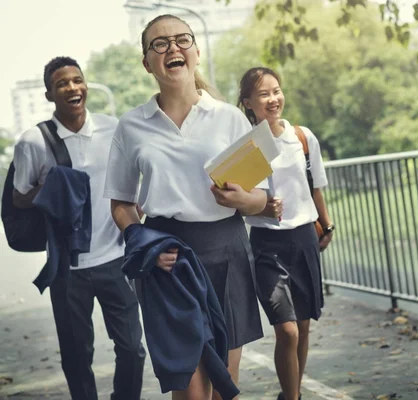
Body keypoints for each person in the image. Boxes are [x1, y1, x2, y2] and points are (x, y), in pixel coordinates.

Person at [103, 14, 267, 399]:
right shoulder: (131, 125)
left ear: (195, 51)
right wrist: (144, 244)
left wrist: (243, 199)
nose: (172, 48)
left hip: (226, 248)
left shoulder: (229, 118)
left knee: (226, 378)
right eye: (160, 44)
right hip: (167, 259)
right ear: (147, 63)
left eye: (182, 40)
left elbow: (263, 199)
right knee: (190, 390)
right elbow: (122, 204)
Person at [11, 56, 146, 400]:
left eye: (77, 80)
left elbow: (130, 181)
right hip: (67, 269)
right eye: (62, 84)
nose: (72, 87)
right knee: (76, 355)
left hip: (117, 259)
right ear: (49, 95)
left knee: (132, 348)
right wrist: (55, 187)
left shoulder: (112, 127)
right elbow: (19, 197)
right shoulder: (34, 141)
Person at [237, 67, 334, 400]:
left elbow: (315, 186)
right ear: (248, 102)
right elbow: (236, 198)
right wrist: (261, 206)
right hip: (267, 244)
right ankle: (292, 397)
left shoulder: (301, 137)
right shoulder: (247, 144)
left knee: (303, 328)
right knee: (287, 330)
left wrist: (326, 223)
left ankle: (291, 392)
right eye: (263, 94)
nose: (273, 99)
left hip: (304, 237)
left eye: (276, 91)